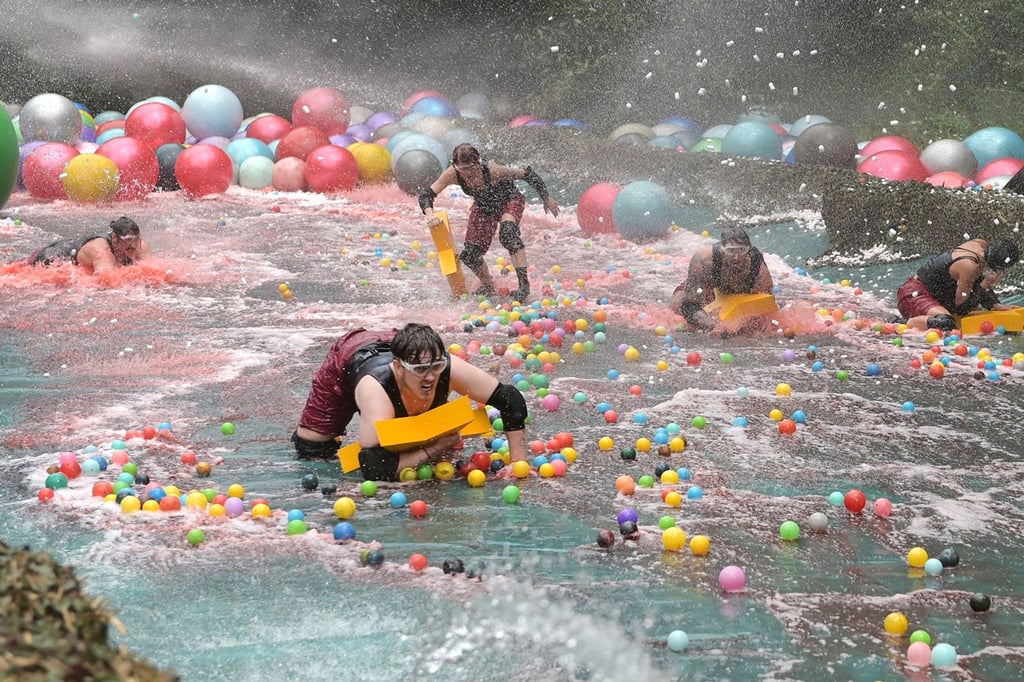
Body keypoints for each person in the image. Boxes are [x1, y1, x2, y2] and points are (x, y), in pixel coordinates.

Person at [292, 323, 529, 481]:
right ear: (399, 368)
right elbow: (372, 466)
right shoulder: (377, 390)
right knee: (313, 450)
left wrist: (517, 464)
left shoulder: (445, 367)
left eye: (436, 367)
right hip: (349, 359)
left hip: (401, 347)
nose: (430, 377)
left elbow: (511, 400)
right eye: (421, 370)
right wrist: (435, 448)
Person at [418, 143, 560, 302]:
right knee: (470, 254)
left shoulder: (493, 170)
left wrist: (546, 197)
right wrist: (430, 214)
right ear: (455, 166)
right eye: (462, 169)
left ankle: (523, 286)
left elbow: (527, 174)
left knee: (508, 234)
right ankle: (488, 284)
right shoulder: (452, 174)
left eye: (471, 168)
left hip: (509, 200)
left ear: (478, 162)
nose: (467, 174)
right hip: (484, 206)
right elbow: (426, 195)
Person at [896, 237, 1020, 331]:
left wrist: (994, 304)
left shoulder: (979, 244)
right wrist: (986, 283)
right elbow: (961, 308)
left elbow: (975, 280)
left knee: (971, 306)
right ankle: (898, 323)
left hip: (934, 293)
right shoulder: (969, 266)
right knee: (946, 323)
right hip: (913, 294)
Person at [670, 227, 774, 331]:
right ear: (721, 250)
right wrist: (713, 326)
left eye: (741, 250)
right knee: (677, 303)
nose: (736, 257)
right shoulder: (704, 260)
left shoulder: (757, 267)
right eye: (730, 251)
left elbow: (768, 302)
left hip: (739, 292)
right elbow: (689, 305)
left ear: (749, 250)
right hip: (708, 287)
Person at [26, 216, 152, 273]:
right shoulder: (101, 250)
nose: (132, 245)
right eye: (127, 240)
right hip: (53, 255)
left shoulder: (139, 245)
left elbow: (156, 267)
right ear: (114, 237)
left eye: (135, 240)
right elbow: (108, 280)